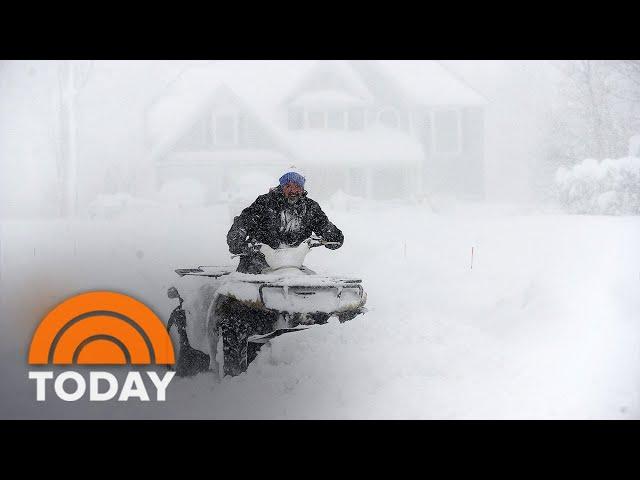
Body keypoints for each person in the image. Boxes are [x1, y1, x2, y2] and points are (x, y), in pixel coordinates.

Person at [227, 170, 344, 274]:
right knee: (246, 292)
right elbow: (244, 222)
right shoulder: (265, 203)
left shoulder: (310, 208)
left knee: (310, 287)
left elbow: (323, 224)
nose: (293, 190)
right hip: (258, 262)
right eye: (288, 186)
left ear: (302, 189)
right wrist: (238, 240)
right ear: (282, 187)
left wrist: (332, 236)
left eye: (297, 186)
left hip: (292, 264)